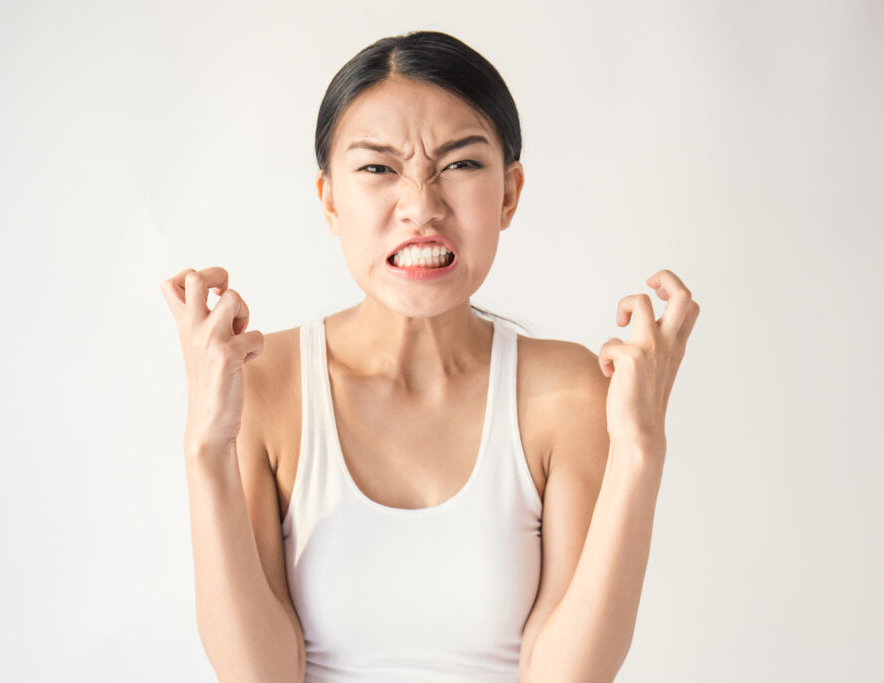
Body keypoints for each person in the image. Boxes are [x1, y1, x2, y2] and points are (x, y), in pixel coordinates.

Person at [161, 30, 699, 683]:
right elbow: (257, 675)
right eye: (378, 168)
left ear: (508, 192)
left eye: (460, 164)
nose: (421, 205)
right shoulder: (265, 381)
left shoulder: (568, 392)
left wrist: (640, 448)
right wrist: (206, 446)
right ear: (330, 198)